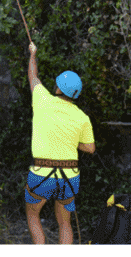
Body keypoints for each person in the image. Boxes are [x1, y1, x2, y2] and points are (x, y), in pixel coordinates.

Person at [25, 42, 95, 244]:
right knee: (65, 223)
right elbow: (90, 148)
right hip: (69, 176)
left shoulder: (42, 99)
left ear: (57, 87)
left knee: (32, 215)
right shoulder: (82, 117)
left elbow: (33, 76)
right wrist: (71, 141)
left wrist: (33, 54)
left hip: (41, 174)